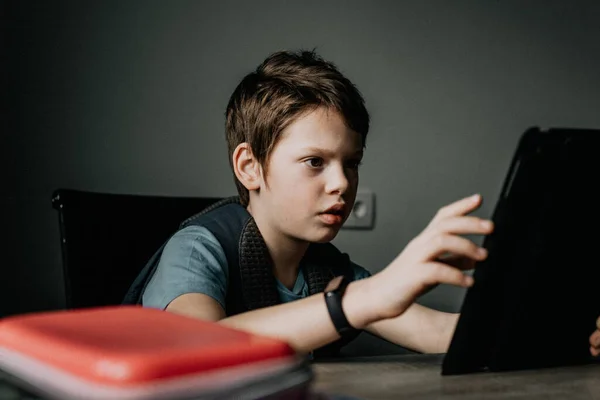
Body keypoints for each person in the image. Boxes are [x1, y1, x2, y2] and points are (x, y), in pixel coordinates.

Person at [133, 49, 600, 358]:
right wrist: (359, 301)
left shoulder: (328, 269)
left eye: (351, 163)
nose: (341, 183)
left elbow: (442, 333)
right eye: (315, 162)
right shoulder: (196, 249)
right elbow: (198, 348)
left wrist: (570, 330)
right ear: (249, 167)